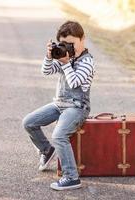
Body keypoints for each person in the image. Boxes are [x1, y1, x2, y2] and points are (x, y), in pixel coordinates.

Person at [22, 21, 95, 191]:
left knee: (59, 135)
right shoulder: (63, 56)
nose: (68, 47)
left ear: (83, 39)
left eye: (72, 44)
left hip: (77, 107)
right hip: (59, 104)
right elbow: (46, 71)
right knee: (29, 122)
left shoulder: (87, 62)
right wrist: (49, 56)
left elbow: (75, 81)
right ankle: (47, 151)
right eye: (64, 44)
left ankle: (71, 177)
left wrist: (65, 63)